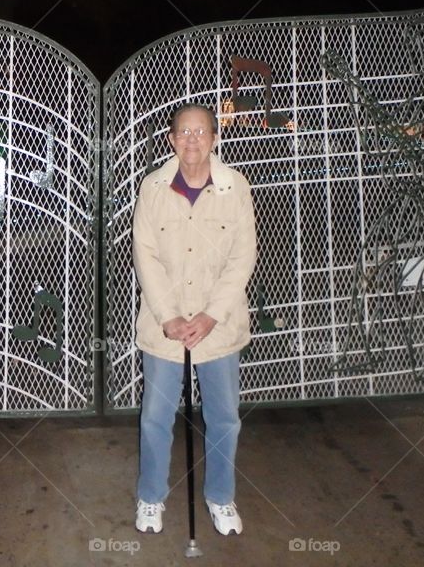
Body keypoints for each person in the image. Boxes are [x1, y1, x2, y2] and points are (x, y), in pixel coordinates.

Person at [132, 103, 258, 536]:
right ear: (171, 139)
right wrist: (169, 317)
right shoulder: (152, 188)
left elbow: (243, 258)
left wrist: (209, 315)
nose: (191, 140)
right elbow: (144, 255)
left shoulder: (235, 188)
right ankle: (151, 497)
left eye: (200, 131)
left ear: (214, 138)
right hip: (164, 329)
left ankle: (221, 498)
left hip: (217, 326)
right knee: (155, 418)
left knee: (224, 418)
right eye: (183, 132)